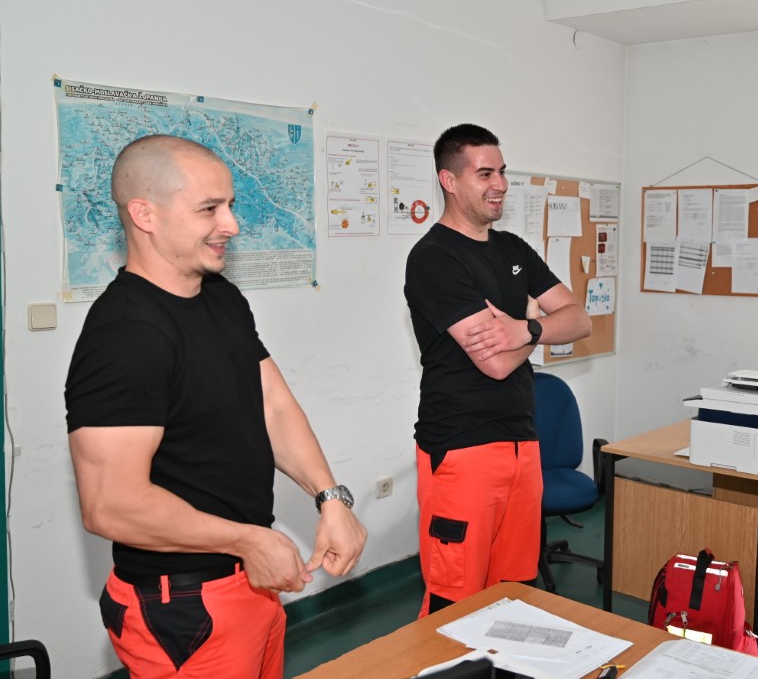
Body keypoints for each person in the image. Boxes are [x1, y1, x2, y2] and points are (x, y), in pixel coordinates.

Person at [65, 135, 367, 679]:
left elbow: (273, 405)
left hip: (249, 582)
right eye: (209, 209)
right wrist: (248, 538)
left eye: (230, 205)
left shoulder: (220, 296)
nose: (231, 224)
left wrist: (331, 498)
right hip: (184, 608)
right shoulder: (124, 334)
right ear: (144, 214)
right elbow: (109, 505)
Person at [404, 123, 591, 616]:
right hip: (462, 450)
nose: (501, 184)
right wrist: (535, 329)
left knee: (515, 593)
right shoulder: (433, 259)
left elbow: (580, 319)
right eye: (485, 173)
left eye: (502, 172)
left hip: (522, 446)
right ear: (449, 180)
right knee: (455, 598)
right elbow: (495, 364)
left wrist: (525, 328)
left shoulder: (513, 249)